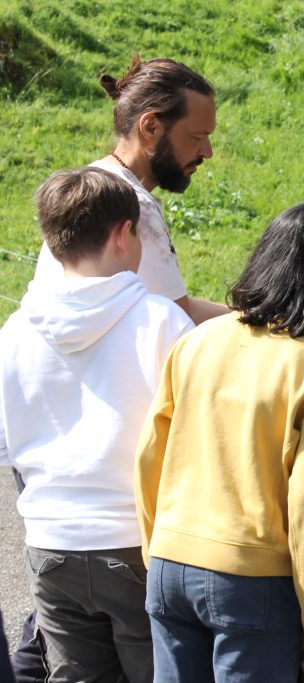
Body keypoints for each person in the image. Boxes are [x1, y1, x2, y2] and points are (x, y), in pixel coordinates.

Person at [135, 203, 304, 682]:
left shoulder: (197, 341)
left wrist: (157, 550)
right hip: (253, 581)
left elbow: (149, 457)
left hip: (169, 564)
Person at [0, 167, 195, 682]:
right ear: (124, 234)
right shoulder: (161, 321)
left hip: (50, 543)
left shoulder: (15, 331)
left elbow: (7, 446)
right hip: (137, 542)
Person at [32, 55, 228, 324]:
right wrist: (262, 318)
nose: (207, 151)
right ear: (151, 127)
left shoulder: (90, 184)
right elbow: (180, 317)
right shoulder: (132, 207)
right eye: (197, 136)